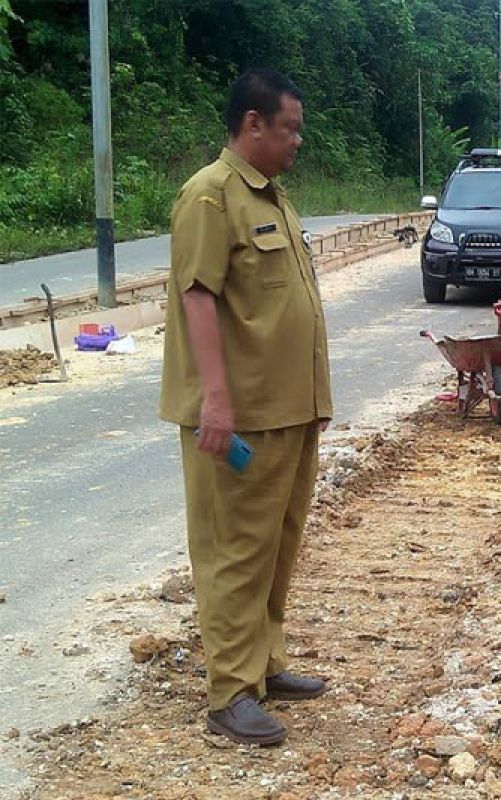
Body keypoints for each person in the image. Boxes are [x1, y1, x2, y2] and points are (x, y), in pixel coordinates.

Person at [158, 68, 333, 746]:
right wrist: (216, 400)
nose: (297, 140)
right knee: (234, 552)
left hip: (289, 409)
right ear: (252, 124)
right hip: (241, 416)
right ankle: (229, 693)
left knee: (277, 547)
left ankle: (263, 664)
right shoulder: (210, 197)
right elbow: (198, 297)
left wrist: (315, 397)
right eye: (288, 128)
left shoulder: (275, 199)